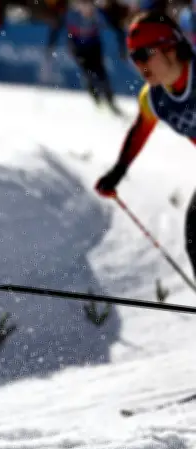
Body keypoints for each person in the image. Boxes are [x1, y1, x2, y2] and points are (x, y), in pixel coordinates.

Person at [95, 12, 196, 274]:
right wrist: (117, 172)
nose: (139, 66)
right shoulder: (153, 99)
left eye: (144, 55)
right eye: (133, 58)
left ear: (169, 48)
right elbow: (140, 131)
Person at [47, 0, 124, 114]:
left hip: (94, 47)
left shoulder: (98, 13)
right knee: (88, 73)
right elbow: (56, 27)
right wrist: (51, 45)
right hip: (78, 49)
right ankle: (96, 98)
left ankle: (110, 101)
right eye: (82, 5)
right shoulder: (70, 14)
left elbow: (116, 27)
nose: (86, 9)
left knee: (101, 73)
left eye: (88, 6)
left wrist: (122, 45)